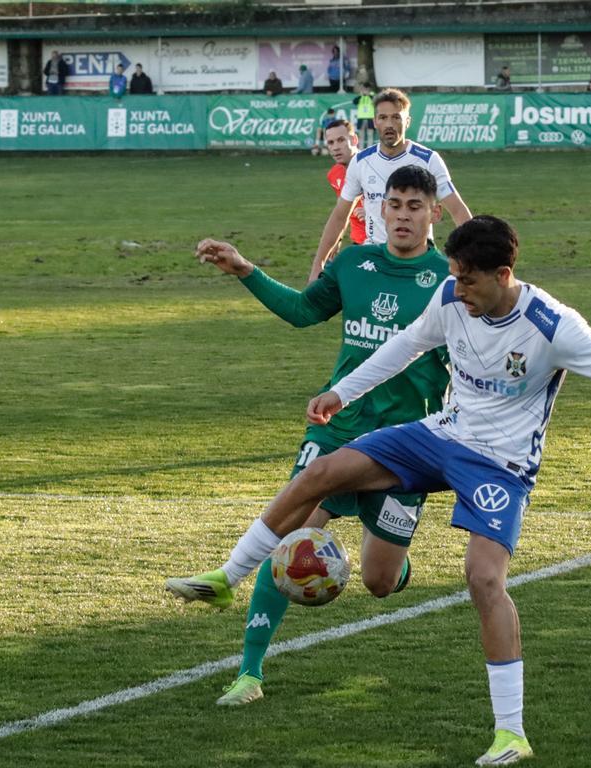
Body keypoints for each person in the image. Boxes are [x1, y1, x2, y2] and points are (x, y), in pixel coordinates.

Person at [166, 214, 591, 765]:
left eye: (468, 280)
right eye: (453, 276)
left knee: (483, 579)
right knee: (319, 473)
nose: (456, 288)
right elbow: (405, 345)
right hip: (438, 434)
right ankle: (227, 577)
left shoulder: (555, 327)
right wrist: (342, 393)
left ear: (503, 275)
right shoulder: (453, 298)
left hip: (500, 466)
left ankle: (511, 732)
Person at [177, 166, 453, 707]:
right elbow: (305, 311)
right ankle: (249, 673)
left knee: (378, 580)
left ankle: (388, 567)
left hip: (404, 442)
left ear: (433, 213)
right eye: (393, 204)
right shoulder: (354, 262)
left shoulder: (449, 280)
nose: (401, 214)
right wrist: (244, 270)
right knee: (293, 530)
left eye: (413, 206)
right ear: (379, 208)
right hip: (338, 425)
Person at [307, 88, 473, 282]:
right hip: (374, 258)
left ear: (407, 121)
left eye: (396, 117)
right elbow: (339, 216)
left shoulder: (428, 160)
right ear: (375, 121)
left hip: (417, 259)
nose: (389, 124)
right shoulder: (361, 162)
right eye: (383, 117)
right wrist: (318, 264)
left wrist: (475, 257)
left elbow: (458, 210)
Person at [322, 119, 368, 250]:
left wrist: (374, 213)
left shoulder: (374, 166)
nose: (335, 147)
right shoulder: (334, 174)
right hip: (359, 242)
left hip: (384, 243)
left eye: (341, 140)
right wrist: (337, 240)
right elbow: (342, 211)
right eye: (331, 142)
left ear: (354, 140)